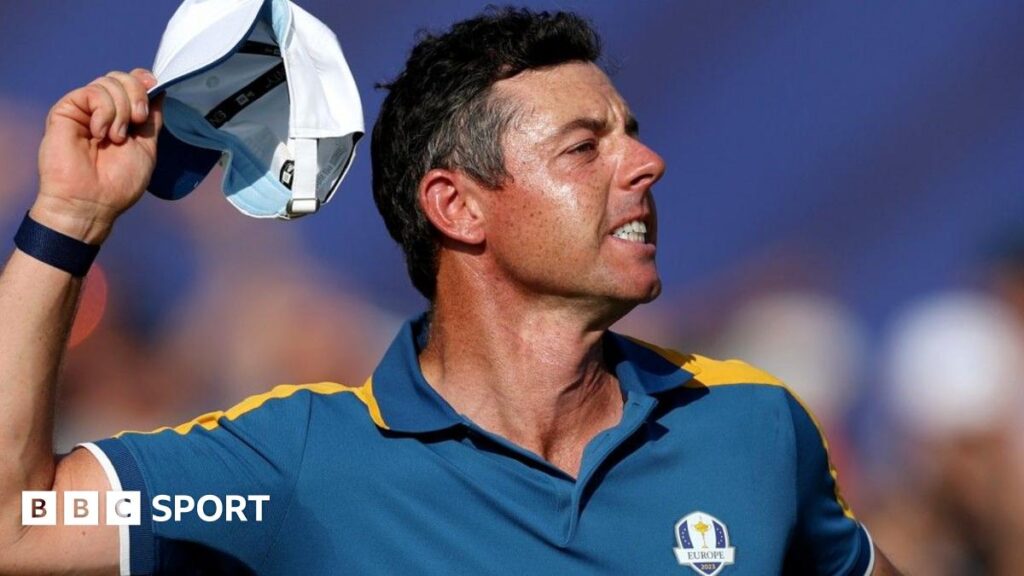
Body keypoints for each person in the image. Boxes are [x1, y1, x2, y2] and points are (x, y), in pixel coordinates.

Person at [0, 7, 900, 575]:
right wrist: (69, 219)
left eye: (630, 133)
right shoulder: (297, 465)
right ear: (457, 207)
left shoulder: (752, 425)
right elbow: (17, 525)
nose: (648, 163)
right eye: (584, 147)